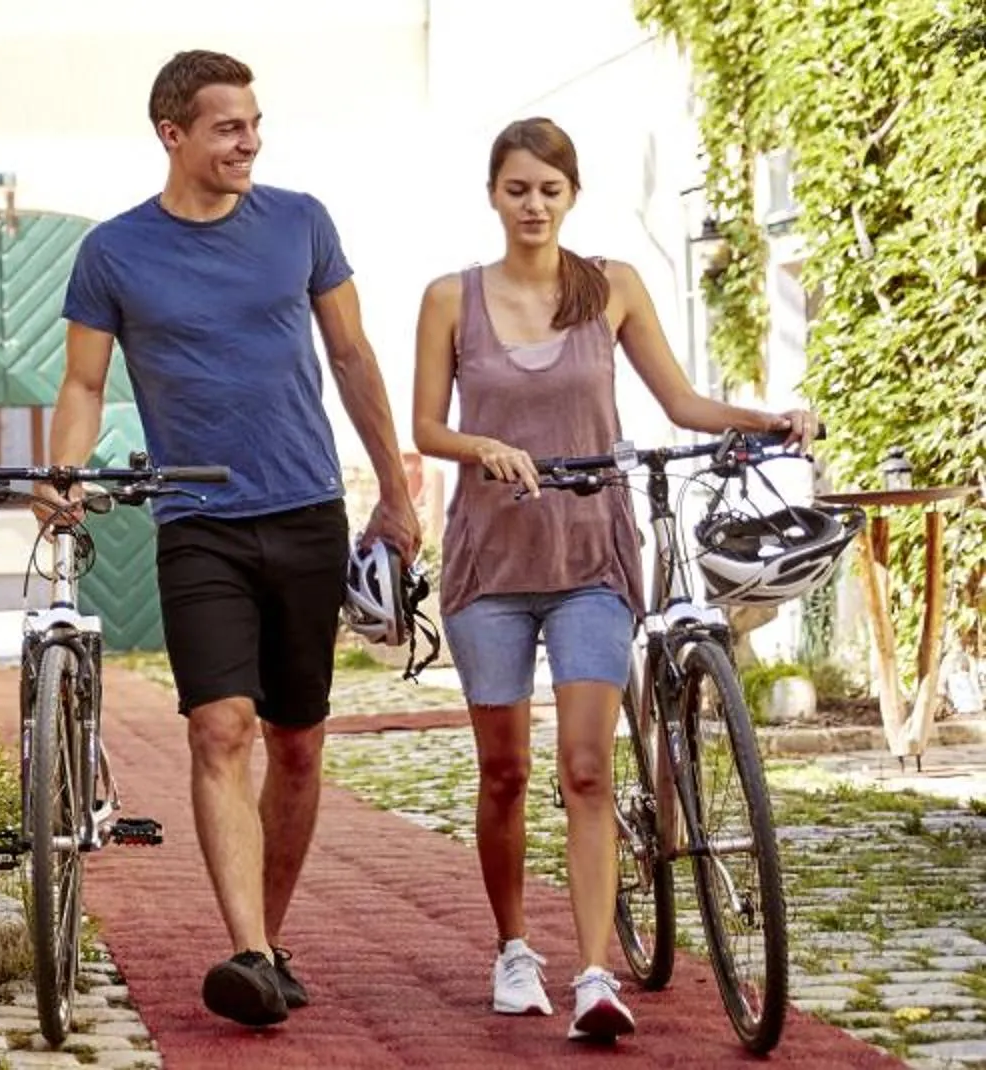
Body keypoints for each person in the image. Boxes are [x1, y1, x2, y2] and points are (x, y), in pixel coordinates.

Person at [409, 116, 816, 1042]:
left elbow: (678, 400)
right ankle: (515, 948)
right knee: (505, 772)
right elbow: (427, 426)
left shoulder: (612, 289)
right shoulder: (450, 299)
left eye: (550, 191)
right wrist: (483, 445)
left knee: (587, 769)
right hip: (490, 563)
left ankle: (595, 973)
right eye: (518, 189)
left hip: (591, 556)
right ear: (493, 195)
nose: (534, 206)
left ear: (572, 197)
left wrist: (769, 417)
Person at [45, 49, 422, 1028]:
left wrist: (395, 485)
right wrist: (66, 470)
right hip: (196, 520)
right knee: (221, 727)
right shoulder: (115, 252)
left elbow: (351, 353)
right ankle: (247, 946)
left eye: (254, 123)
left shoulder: (301, 223)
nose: (249, 140)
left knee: (298, 741)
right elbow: (84, 383)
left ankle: (271, 940)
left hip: (304, 510)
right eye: (227, 126)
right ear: (172, 133)